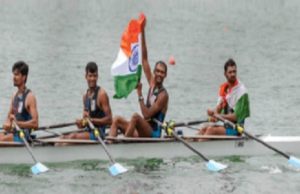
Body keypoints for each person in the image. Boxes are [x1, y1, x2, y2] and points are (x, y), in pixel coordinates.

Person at [109, 18, 169, 139]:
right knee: (116, 120)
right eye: (157, 71)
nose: (159, 74)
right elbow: (145, 58)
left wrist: (140, 94)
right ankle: (110, 145)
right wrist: (142, 31)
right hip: (143, 130)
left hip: (153, 133)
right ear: (154, 71)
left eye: (162, 73)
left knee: (136, 117)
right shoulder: (152, 83)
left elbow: (146, 116)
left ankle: (125, 147)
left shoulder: (163, 95)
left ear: (165, 75)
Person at [61, 62, 112, 142]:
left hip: (98, 133)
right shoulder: (85, 96)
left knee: (73, 137)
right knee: (63, 137)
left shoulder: (102, 95)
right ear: (86, 77)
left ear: (97, 76)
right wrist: (81, 123)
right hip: (89, 131)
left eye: (95, 76)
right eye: (90, 76)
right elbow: (85, 121)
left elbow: (110, 120)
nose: (92, 79)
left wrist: (92, 120)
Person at [199, 59, 250, 136]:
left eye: (234, 71)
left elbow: (236, 117)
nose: (233, 74)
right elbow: (217, 113)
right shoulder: (224, 89)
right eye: (230, 72)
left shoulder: (242, 91)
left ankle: (201, 147)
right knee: (203, 129)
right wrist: (213, 114)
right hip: (227, 127)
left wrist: (219, 116)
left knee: (211, 130)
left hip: (237, 129)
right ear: (225, 74)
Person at [1, 61, 39, 142]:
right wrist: (7, 124)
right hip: (13, 133)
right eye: (14, 74)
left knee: (3, 139)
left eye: (17, 75)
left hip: (23, 136)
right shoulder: (14, 96)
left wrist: (19, 124)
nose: (14, 77)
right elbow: (8, 118)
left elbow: (35, 124)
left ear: (24, 77)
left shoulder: (30, 97)